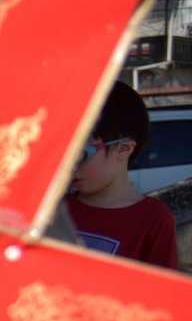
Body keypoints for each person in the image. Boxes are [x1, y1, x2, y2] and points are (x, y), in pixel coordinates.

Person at [66, 80, 179, 269]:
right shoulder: (55, 209)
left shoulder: (153, 219)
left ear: (123, 149)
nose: (70, 165)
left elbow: (159, 285)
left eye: (81, 154)